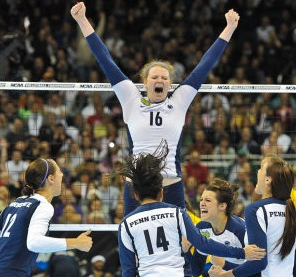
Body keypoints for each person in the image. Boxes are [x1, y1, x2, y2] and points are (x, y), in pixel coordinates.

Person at [71, 2, 240, 214]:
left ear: (169, 84)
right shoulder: (131, 97)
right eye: (154, 77)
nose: (159, 80)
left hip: (170, 186)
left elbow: (205, 65)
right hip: (137, 188)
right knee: (133, 239)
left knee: (181, 240)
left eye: (164, 77)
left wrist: (230, 28)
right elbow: (106, 61)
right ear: (145, 82)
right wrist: (82, 20)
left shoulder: (179, 100)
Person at [116, 142, 264, 277]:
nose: (202, 203)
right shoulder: (177, 213)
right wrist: (240, 252)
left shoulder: (127, 224)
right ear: (161, 192)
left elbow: (128, 270)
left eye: (207, 200)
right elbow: (202, 244)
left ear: (135, 195)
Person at [208, 154, 296, 277]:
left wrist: (226, 275)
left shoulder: (256, 209)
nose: (257, 172)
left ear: (268, 179)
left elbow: (259, 261)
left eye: (261, 168)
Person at [183, 178, 247, 277]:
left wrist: (225, 267)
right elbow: (197, 270)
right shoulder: (202, 228)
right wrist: (186, 252)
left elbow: (258, 267)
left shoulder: (239, 229)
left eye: (208, 200)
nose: (202, 203)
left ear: (222, 206)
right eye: (201, 199)